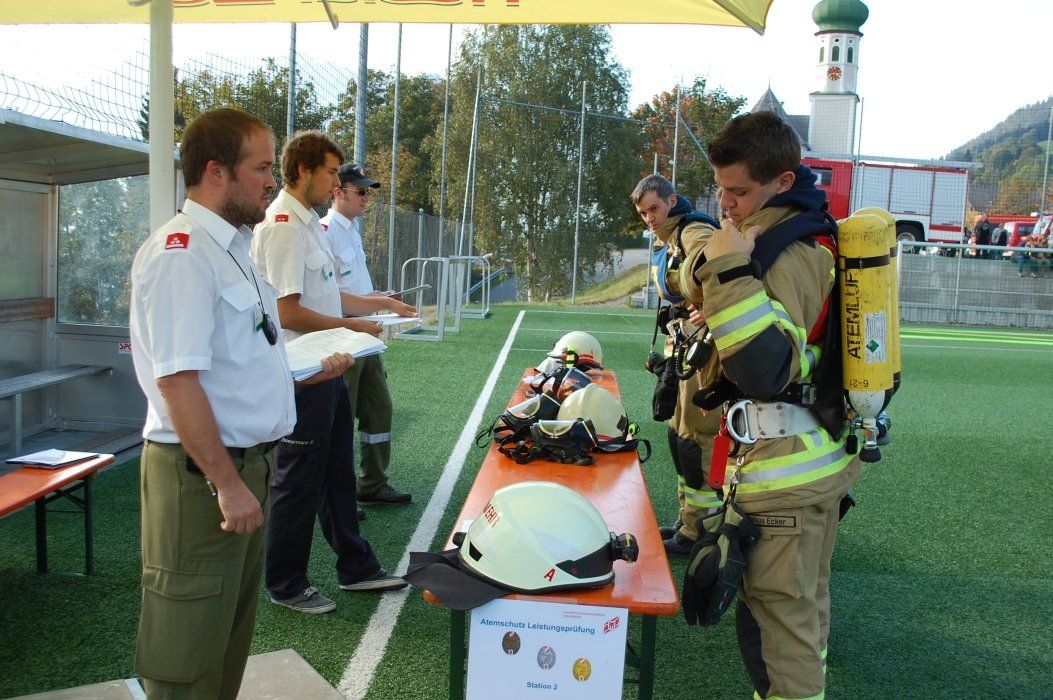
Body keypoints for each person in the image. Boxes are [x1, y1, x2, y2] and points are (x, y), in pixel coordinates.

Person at [128, 108, 353, 698]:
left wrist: (304, 376)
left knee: (226, 641)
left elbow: (242, 361)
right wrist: (227, 485)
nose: (271, 181)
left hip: (243, 467)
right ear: (216, 172)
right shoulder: (181, 255)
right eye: (260, 168)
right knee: (188, 649)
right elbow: (178, 384)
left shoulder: (230, 248)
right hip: (203, 476)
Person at [677, 111, 861, 700]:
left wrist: (729, 268)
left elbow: (765, 368)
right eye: (720, 189)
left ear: (783, 181)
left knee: (779, 636)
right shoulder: (777, 230)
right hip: (797, 466)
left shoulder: (793, 249)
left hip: (786, 474)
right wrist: (722, 264)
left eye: (738, 191)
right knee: (797, 616)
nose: (725, 203)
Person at [250, 130, 416, 614]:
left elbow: (327, 295)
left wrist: (379, 305)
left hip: (329, 364)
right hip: (303, 372)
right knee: (298, 479)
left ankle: (356, 566)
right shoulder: (284, 226)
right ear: (303, 170)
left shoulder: (307, 226)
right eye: (328, 173)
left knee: (337, 471)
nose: (334, 183)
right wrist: (353, 325)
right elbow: (286, 312)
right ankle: (286, 583)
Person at [631, 173, 724, 557]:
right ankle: (689, 520)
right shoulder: (672, 237)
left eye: (654, 208)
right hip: (687, 348)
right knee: (680, 437)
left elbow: (723, 272)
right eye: (643, 213)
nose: (649, 218)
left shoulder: (694, 230)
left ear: (671, 201)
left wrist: (709, 308)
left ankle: (702, 529)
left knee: (699, 440)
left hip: (706, 354)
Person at [320, 163, 412, 507]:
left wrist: (379, 298)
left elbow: (354, 287)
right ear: (337, 192)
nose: (366, 198)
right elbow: (329, 296)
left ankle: (372, 483)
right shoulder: (325, 231)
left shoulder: (352, 232)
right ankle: (339, 496)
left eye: (367, 192)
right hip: (344, 337)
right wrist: (380, 303)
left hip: (367, 338)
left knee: (379, 409)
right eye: (360, 191)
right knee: (341, 420)